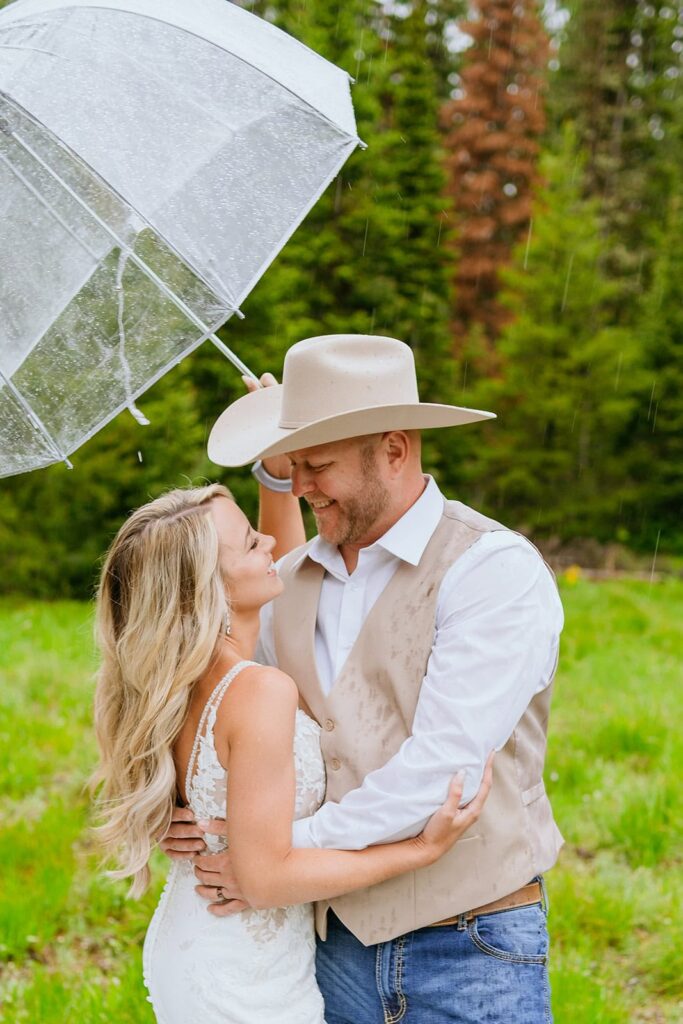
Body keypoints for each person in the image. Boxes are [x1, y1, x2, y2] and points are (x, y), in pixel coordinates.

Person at [163, 333, 565, 1024]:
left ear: (395, 448)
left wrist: (276, 857)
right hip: (325, 945)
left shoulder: (491, 570)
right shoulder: (281, 583)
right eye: (289, 469)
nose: (301, 486)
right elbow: (224, 726)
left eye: (316, 465)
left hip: (467, 944)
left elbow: (443, 770)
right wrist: (186, 816)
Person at [92, 470, 491, 1024]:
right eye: (251, 543)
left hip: (210, 940)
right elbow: (265, 878)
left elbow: (293, 575)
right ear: (209, 586)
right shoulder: (259, 691)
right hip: (241, 970)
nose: (272, 544)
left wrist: (276, 479)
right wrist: (421, 850)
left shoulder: (185, 684)